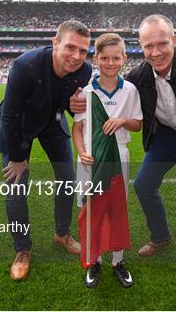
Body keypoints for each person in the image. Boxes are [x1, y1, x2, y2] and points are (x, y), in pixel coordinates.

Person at [70, 14, 176, 285]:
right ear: (141, 47)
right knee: (144, 185)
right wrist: (75, 102)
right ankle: (161, 237)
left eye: (162, 44)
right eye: (148, 46)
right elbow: (102, 91)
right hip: (168, 136)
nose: (155, 52)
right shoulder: (139, 77)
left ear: (175, 41)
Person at [0, 20, 92, 281]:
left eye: (83, 50)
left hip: (52, 121)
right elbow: (10, 116)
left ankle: (62, 234)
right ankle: (22, 249)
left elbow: (72, 107)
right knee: (16, 188)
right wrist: (17, 158)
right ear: (55, 43)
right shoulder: (25, 66)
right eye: (70, 47)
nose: (76, 56)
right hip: (20, 125)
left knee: (67, 179)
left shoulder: (85, 71)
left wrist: (75, 106)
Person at [72, 33, 142, 289]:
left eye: (116, 57)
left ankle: (118, 261)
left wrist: (122, 121)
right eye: (104, 58)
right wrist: (81, 151)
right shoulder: (86, 92)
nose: (110, 63)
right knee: (93, 211)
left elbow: (138, 124)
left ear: (124, 58)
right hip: (91, 158)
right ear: (96, 59)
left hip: (119, 157)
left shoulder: (130, 90)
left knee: (116, 208)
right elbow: (77, 129)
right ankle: (95, 261)